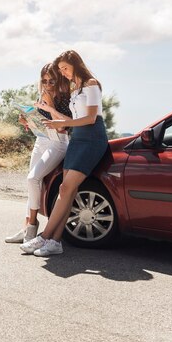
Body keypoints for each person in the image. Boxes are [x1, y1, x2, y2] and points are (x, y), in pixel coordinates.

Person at [20, 50, 108, 256]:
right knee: (66, 190)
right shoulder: (75, 88)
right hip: (77, 138)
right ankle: (55, 242)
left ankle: (44, 237)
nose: (64, 73)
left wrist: (64, 123)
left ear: (76, 64)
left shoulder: (91, 84)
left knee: (67, 187)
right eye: (61, 69)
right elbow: (71, 120)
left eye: (65, 68)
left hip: (93, 138)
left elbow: (92, 118)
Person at [5, 63, 71, 244]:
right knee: (32, 184)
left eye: (52, 81)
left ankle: (33, 225)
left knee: (32, 178)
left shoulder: (66, 98)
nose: (48, 84)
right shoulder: (41, 95)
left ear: (59, 80)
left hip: (58, 142)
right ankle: (27, 228)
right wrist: (26, 120)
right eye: (45, 81)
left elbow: (65, 125)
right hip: (41, 140)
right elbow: (41, 121)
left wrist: (50, 104)